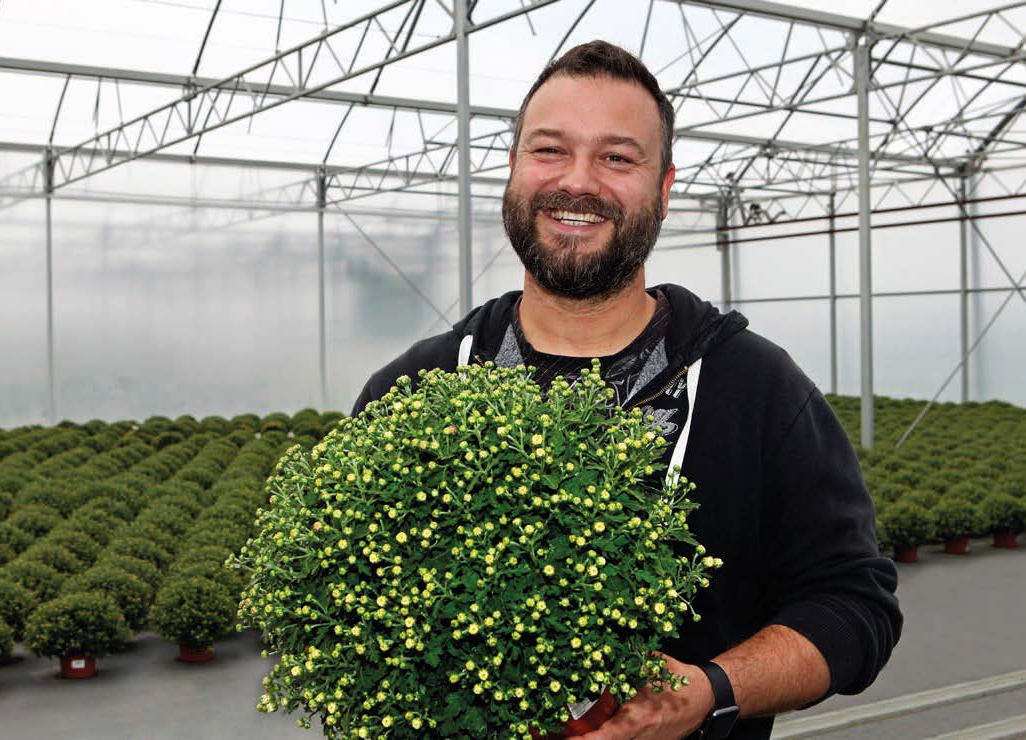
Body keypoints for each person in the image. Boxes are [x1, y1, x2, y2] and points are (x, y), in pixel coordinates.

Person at [350, 40, 901, 740]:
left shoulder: (755, 390)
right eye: (548, 150)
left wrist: (709, 690)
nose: (577, 183)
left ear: (664, 189)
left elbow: (854, 607)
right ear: (513, 170)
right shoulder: (413, 389)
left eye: (616, 157)